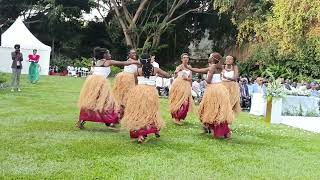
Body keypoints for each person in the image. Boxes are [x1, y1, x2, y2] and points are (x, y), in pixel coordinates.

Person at [76, 47, 140, 129]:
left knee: (92, 102)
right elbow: (123, 63)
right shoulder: (107, 62)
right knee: (109, 103)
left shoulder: (97, 62)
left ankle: (83, 120)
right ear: (104, 55)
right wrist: (137, 62)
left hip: (92, 82)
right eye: (109, 53)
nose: (110, 55)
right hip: (101, 83)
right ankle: (110, 121)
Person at [121, 54, 170, 143]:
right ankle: (154, 130)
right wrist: (158, 76)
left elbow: (136, 83)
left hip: (139, 92)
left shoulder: (137, 71)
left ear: (141, 61)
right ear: (149, 60)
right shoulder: (155, 69)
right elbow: (168, 75)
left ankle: (140, 134)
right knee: (151, 112)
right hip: (151, 93)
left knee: (139, 114)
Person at [187, 52, 234, 138]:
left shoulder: (213, 67)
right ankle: (223, 132)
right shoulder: (218, 66)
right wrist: (190, 69)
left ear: (213, 59)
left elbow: (208, 81)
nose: (209, 57)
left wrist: (205, 78)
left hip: (213, 90)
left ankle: (216, 129)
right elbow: (200, 70)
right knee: (219, 110)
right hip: (220, 89)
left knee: (212, 110)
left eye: (210, 56)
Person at [112, 49, 139, 116]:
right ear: (129, 55)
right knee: (124, 99)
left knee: (126, 99)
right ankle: (119, 114)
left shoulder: (135, 62)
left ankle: (122, 114)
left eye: (135, 53)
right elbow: (140, 63)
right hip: (126, 81)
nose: (134, 54)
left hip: (131, 81)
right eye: (132, 53)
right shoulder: (130, 61)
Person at [168, 53, 193, 125]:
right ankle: (176, 117)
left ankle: (179, 117)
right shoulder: (179, 66)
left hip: (186, 85)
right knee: (178, 101)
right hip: (179, 85)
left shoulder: (189, 67)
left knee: (186, 103)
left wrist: (188, 81)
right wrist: (176, 72)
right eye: (184, 58)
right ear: (181, 59)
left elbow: (191, 77)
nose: (186, 59)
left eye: (187, 58)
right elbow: (175, 75)